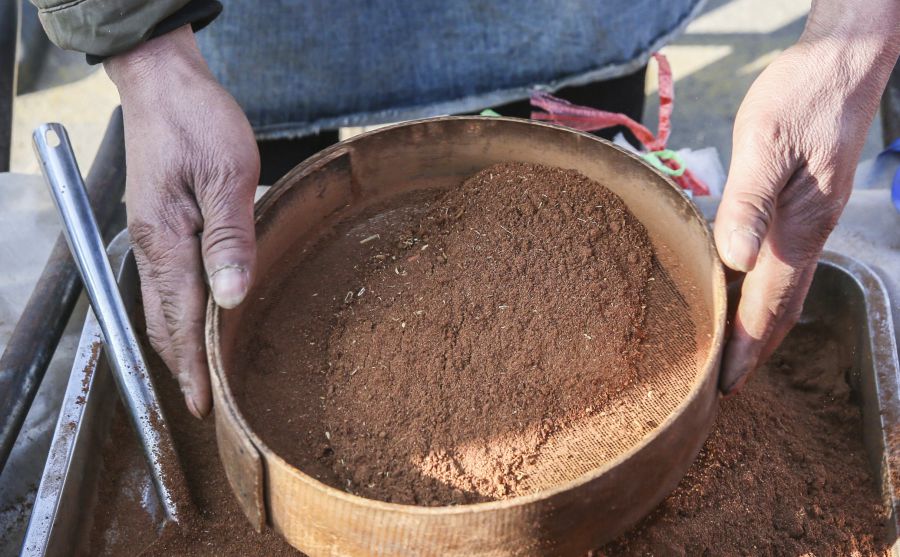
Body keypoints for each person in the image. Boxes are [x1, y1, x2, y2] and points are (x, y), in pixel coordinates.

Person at [31, 0, 900, 417]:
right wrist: (144, 51)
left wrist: (854, 34)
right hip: (237, 29)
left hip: (563, 20)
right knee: (257, 258)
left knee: (588, 200)